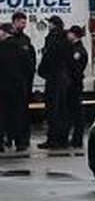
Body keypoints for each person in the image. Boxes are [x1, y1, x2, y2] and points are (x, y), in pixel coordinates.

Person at [37, 15, 69, 150]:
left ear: (53, 24)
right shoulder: (65, 38)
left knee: (52, 110)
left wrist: (41, 71)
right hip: (64, 77)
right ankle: (63, 139)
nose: (48, 25)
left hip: (54, 77)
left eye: (50, 23)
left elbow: (49, 57)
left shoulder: (52, 38)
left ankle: (53, 140)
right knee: (62, 109)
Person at [8, 12, 36, 151]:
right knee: (9, 112)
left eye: (25, 23)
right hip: (8, 83)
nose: (24, 25)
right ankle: (9, 137)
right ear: (14, 22)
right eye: (21, 22)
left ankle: (23, 139)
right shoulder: (8, 39)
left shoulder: (25, 40)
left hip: (23, 83)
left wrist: (29, 76)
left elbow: (30, 60)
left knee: (23, 112)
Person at [64, 26, 88, 148]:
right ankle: (73, 138)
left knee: (77, 113)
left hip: (74, 84)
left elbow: (75, 69)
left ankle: (77, 139)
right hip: (72, 83)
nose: (68, 35)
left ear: (74, 35)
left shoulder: (78, 51)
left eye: (69, 33)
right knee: (71, 111)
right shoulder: (73, 48)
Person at [0, 23, 15, 151]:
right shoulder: (19, 45)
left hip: (3, 85)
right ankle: (11, 139)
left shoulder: (3, 47)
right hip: (15, 85)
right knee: (12, 114)